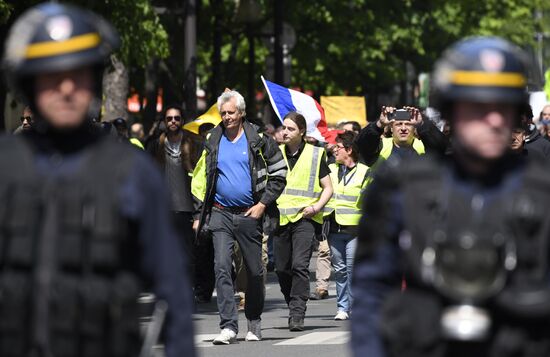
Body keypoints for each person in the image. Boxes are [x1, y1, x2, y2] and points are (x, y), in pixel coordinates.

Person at [0, 3, 195, 357]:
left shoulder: (132, 172)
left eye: (79, 74)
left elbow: (174, 293)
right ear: (27, 84)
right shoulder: (5, 167)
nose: (67, 88)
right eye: (51, 76)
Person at [352, 36, 550, 357]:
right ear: (451, 112)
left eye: (504, 108)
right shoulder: (402, 189)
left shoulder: (542, 190)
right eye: (478, 108)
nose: (494, 120)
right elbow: (372, 291)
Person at [191, 89, 286, 344]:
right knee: (221, 267)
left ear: (241, 113)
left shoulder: (259, 139)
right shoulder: (212, 139)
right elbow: (203, 179)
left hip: (249, 215)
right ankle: (228, 326)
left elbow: (280, 174)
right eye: (223, 113)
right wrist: (200, 213)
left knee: (255, 272)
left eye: (231, 113)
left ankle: (253, 321)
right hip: (220, 214)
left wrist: (262, 204)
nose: (226, 117)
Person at [275, 111, 333, 331]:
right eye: (284, 127)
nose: (285, 132)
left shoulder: (316, 155)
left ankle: (297, 311)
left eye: (290, 128)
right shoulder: (275, 153)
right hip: (280, 218)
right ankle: (293, 303)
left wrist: (316, 207)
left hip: (305, 218)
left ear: (301, 131)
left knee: (300, 265)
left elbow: (328, 188)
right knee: (282, 269)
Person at [147, 105, 198, 279]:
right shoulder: (155, 146)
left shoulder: (193, 144)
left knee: (187, 253)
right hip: (164, 209)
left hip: (188, 209)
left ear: (182, 120)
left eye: (176, 118)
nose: (173, 121)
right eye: (169, 119)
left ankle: (188, 288)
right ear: (164, 122)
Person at [323, 131, 368, 321]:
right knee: (339, 270)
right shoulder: (330, 169)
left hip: (354, 229)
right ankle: (342, 307)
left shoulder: (365, 171)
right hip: (334, 227)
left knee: (352, 268)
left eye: (338, 147)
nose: (335, 150)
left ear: (349, 150)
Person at [356, 105, 447, 166]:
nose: (403, 128)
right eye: (399, 124)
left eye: (408, 124)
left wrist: (423, 125)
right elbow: (362, 144)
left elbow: (442, 148)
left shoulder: (424, 146)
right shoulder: (381, 146)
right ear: (391, 128)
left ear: (414, 128)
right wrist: (379, 125)